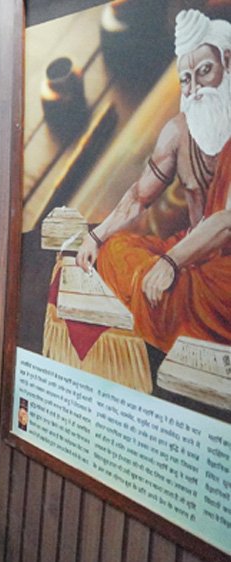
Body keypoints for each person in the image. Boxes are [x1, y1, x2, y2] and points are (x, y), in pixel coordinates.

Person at [76, 9, 231, 353]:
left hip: (224, 270)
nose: (195, 89)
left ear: (227, 63)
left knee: (170, 289)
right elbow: (139, 197)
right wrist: (96, 237)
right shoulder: (177, 132)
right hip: (190, 254)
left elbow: (226, 221)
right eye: (186, 79)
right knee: (114, 251)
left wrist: (170, 263)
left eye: (205, 71)